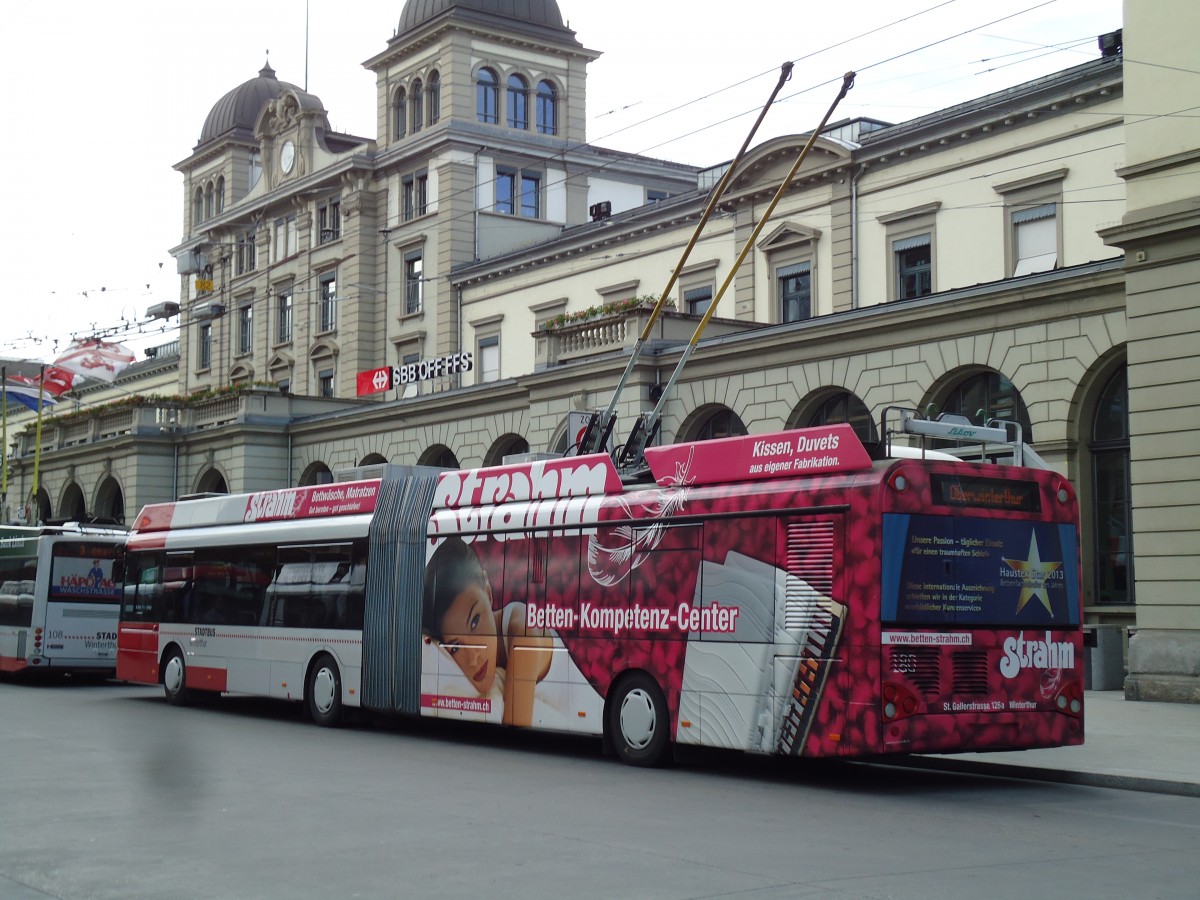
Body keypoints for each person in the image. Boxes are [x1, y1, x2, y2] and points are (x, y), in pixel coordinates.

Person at [422, 536, 552, 727]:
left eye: (474, 622)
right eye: (456, 647)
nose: (473, 658)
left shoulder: (524, 633)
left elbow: (516, 725)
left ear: (488, 592)